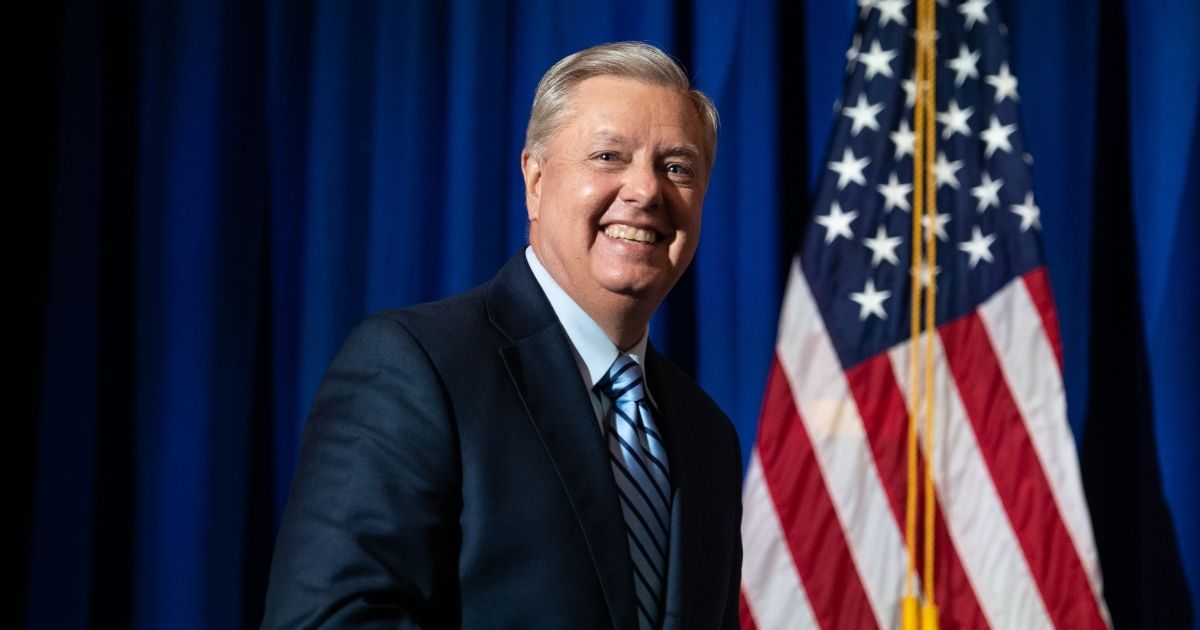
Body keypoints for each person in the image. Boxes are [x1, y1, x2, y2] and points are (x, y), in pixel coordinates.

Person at [261, 41, 742, 629]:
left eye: (677, 168)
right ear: (535, 181)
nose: (646, 191)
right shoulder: (418, 367)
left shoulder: (708, 435)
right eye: (609, 156)